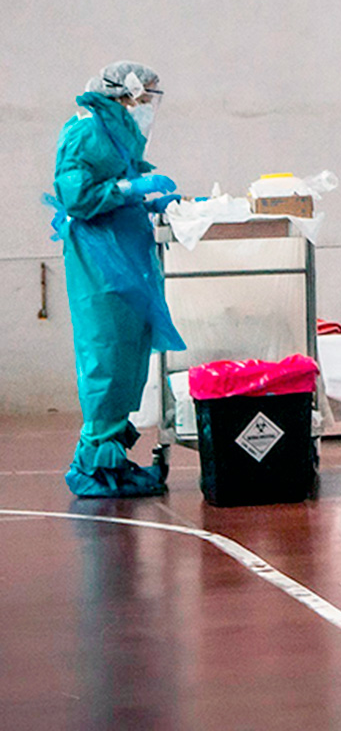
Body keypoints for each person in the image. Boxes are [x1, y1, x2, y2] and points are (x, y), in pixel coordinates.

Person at [49, 62, 188, 498]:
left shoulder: (118, 130)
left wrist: (145, 194)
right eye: (143, 97)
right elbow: (76, 195)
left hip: (122, 254)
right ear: (124, 93)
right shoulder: (87, 129)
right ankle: (93, 468)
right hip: (99, 258)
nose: (147, 106)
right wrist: (132, 191)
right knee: (105, 354)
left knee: (127, 354)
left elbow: (123, 175)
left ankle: (114, 460)